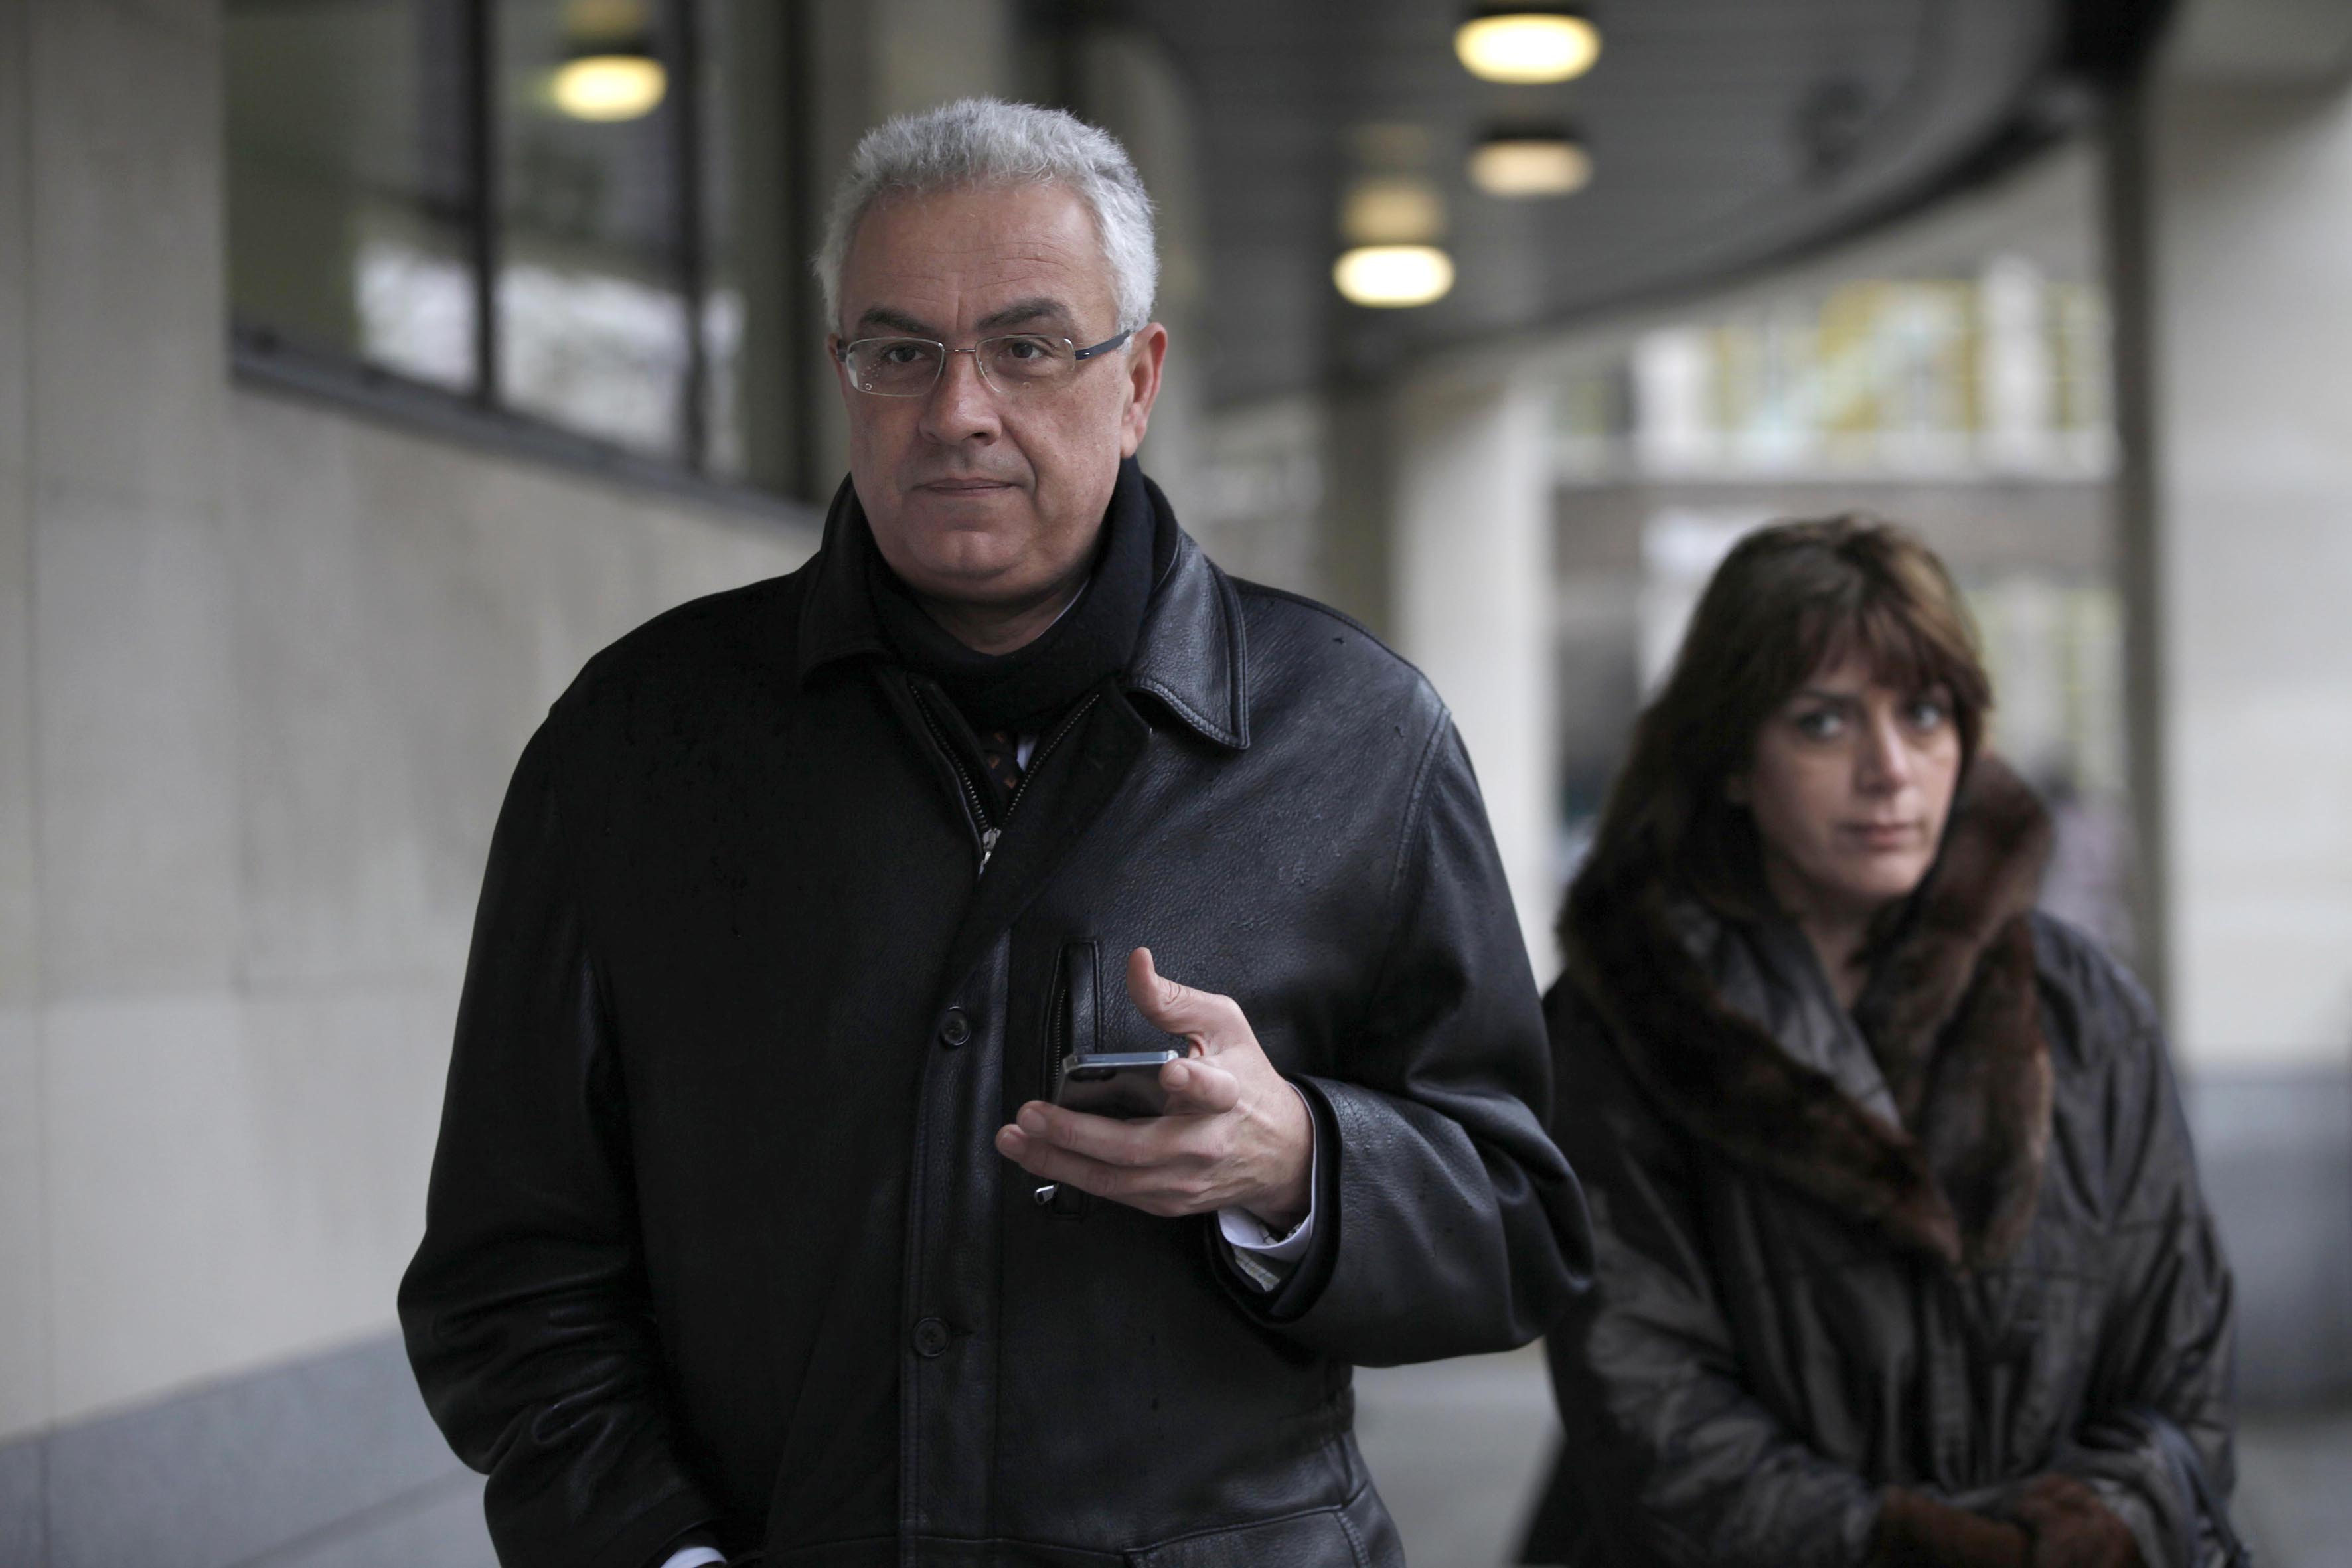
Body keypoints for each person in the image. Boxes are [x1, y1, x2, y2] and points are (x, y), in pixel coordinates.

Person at [400, 98, 1590, 1568]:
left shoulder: (1355, 737)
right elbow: (508, 1277)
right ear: (842, 374)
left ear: (1136, 380)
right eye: (900, 353)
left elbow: (1522, 1227)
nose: (958, 409)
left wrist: (1298, 1162)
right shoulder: (637, 743)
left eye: (1027, 348)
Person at [1519, 518, 2236, 1568]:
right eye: (1824, 722)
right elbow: (1655, 1424)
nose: (1891, 769)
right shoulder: (1620, 1026)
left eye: (1925, 712)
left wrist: (2085, 1534)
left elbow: (2184, 1380)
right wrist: (1930, 1549)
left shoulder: (2085, 1011)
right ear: (1732, 758)